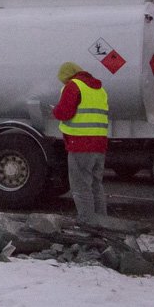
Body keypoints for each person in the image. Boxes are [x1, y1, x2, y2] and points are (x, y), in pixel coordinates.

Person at [53, 61, 110, 224]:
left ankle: (87, 223)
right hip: (99, 144)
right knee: (96, 185)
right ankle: (102, 223)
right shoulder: (99, 89)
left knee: (81, 186)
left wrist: (54, 111)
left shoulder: (73, 86)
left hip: (80, 144)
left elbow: (64, 113)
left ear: (67, 76)